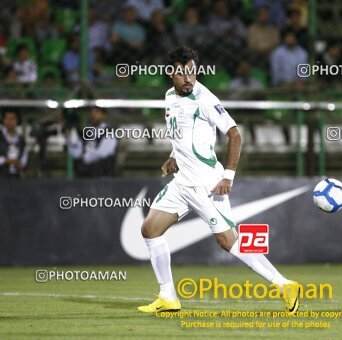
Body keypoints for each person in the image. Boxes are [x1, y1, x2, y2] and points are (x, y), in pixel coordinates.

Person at [137, 46, 300, 315]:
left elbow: (235, 135)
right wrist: (173, 156)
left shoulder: (205, 99)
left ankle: (284, 285)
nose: (188, 78)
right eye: (182, 73)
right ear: (170, 74)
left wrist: (228, 175)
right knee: (150, 230)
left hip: (206, 185)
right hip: (181, 183)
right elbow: (182, 134)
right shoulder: (169, 96)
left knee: (229, 242)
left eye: (192, 72)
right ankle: (168, 297)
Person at [66, 106, 117, 177]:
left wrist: (85, 157)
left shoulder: (109, 133)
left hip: (102, 176)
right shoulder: (87, 133)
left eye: (96, 113)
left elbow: (103, 153)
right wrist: (72, 133)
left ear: (104, 115)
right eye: (91, 113)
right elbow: (76, 152)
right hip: (84, 175)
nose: (93, 115)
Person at [0, 109, 27, 178]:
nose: (9, 122)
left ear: (17, 121)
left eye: (12, 119)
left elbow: (24, 157)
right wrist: (4, 160)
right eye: (7, 118)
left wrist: (21, 165)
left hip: (15, 178)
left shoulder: (21, 140)